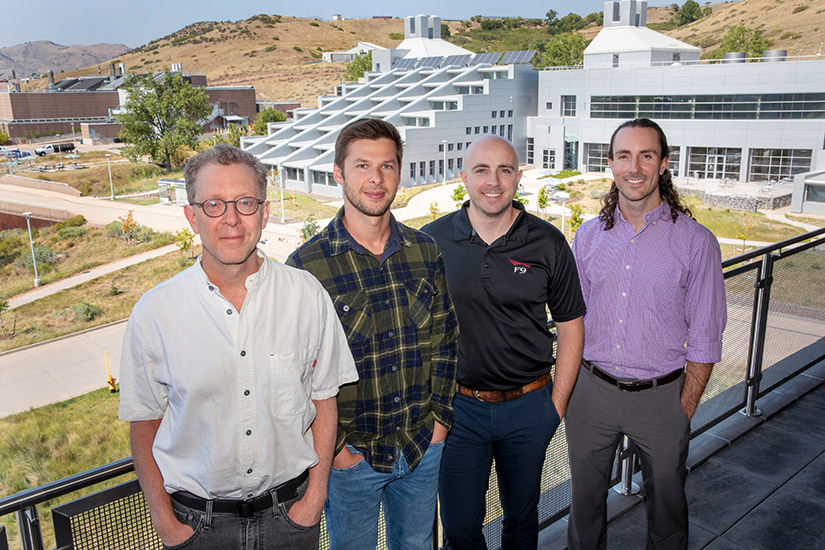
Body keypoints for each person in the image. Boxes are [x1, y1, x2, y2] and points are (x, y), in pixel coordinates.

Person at [118, 143, 358, 550]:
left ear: (264, 213)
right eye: (213, 204)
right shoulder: (155, 312)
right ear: (191, 216)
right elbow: (144, 421)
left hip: (292, 519)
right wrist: (165, 523)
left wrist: (315, 499)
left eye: (245, 203)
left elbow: (324, 398)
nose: (231, 219)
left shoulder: (306, 295)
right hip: (197, 528)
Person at [286, 119, 459, 550]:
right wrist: (338, 453)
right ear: (338, 173)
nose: (376, 179)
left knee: (418, 545)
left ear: (400, 173)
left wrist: (439, 424)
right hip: (351, 460)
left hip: (421, 447)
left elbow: (446, 342)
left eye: (387, 166)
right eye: (362, 165)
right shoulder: (306, 268)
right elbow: (294, 377)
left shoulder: (424, 251)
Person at [567, 118, 727, 550]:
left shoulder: (696, 242)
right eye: (624, 156)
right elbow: (571, 322)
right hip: (591, 394)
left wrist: (683, 408)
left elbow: (707, 335)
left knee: (668, 512)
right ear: (611, 164)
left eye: (646, 155)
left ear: (664, 164)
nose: (634, 167)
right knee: (582, 511)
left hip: (662, 398)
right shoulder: (587, 236)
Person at [422, 135, 586, 550]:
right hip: (458, 412)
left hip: (530, 408)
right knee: (459, 530)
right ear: (463, 178)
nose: (493, 181)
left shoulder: (547, 242)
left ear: (518, 176)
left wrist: (556, 406)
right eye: (481, 169)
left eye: (505, 170)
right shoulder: (431, 242)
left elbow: (571, 326)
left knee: (521, 520)